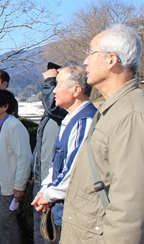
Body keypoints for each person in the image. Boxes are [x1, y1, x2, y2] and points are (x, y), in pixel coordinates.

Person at [61, 24, 144, 243]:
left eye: (91, 53)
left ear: (111, 60)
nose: (85, 61)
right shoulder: (111, 108)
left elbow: (130, 207)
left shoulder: (131, 115)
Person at [31, 62, 96, 242]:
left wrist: (48, 194)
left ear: (76, 90)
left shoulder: (85, 120)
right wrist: (46, 187)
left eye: (58, 85)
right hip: (59, 207)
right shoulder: (70, 118)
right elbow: (57, 163)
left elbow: (73, 169)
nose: (53, 91)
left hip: (72, 211)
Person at [0, 89, 32, 244]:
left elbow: (24, 158)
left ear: (4, 106)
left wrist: (19, 187)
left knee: (7, 222)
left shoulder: (14, 126)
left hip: (7, 184)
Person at [31, 63, 68, 243]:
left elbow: (54, 107)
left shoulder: (65, 114)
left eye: (58, 85)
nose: (54, 91)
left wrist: (50, 81)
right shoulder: (50, 115)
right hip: (42, 179)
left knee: (49, 234)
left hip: (54, 185)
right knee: (40, 231)